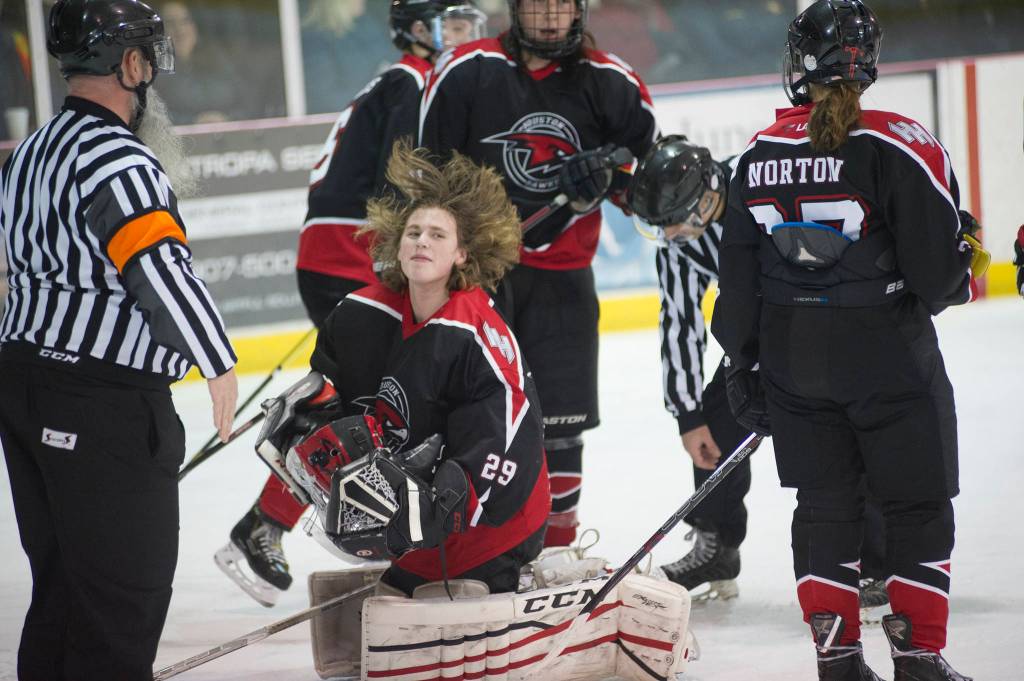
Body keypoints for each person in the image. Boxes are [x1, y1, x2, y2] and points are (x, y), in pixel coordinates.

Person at [711, 1, 984, 679]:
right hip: (886, 353)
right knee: (915, 502)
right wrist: (968, 251)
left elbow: (736, 283)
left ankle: (837, 662)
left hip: (791, 356)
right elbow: (939, 279)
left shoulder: (756, 151)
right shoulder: (901, 140)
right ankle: (917, 658)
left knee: (825, 509)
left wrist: (740, 364)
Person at [213, 1, 488, 608]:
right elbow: (407, 182)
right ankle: (266, 526)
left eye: (472, 23)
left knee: (364, 410)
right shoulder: (415, 80)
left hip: (334, 254)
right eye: (454, 26)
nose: (469, 37)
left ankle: (269, 526)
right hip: (349, 253)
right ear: (419, 32)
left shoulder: (397, 78)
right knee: (374, 416)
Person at [0, 1, 239, 679]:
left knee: (62, 590)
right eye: (147, 62)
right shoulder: (118, 160)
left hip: (25, 385)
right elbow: (158, 266)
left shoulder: (31, 153)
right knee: (118, 604)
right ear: (130, 64)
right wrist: (218, 362)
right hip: (100, 403)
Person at [259, 142, 549, 595]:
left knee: (413, 631)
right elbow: (339, 403)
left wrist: (451, 497)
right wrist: (315, 425)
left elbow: (511, 435)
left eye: (438, 235)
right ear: (397, 245)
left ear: (461, 255)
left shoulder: (474, 332)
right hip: (422, 534)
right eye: (414, 232)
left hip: (493, 528)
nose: (421, 242)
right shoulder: (361, 315)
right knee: (380, 622)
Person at [419, 0, 658, 548]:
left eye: (561, 7)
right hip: (479, 281)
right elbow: (429, 180)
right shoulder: (465, 71)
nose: (551, 18)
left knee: (561, 425)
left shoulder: (610, 82)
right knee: (471, 418)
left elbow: (649, 183)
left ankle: (555, 546)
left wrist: (606, 184)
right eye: (538, 7)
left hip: (563, 280)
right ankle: (469, 542)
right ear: (514, 9)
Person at [628, 136, 892, 613]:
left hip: (830, 323)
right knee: (715, 412)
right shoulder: (681, 240)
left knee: (843, 433)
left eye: (678, 222)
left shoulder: (764, 184)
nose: (671, 235)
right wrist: (688, 415)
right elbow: (680, 322)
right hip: (762, 335)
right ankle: (717, 549)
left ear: (709, 195)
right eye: (662, 227)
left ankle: (873, 563)